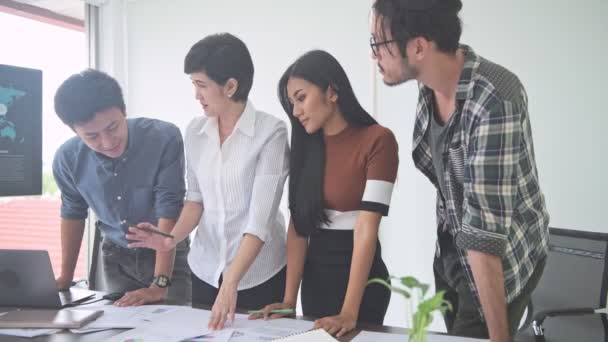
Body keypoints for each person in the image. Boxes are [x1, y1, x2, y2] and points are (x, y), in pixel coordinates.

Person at [369, 1, 550, 341]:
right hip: (453, 258)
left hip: (503, 260)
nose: (374, 55)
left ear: (419, 47)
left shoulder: (495, 99)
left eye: (379, 44)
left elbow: (486, 238)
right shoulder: (428, 86)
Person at [126, 33, 289, 330]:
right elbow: (195, 200)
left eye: (201, 86)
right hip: (205, 270)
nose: (196, 96)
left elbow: (259, 221)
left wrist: (232, 283)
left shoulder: (271, 133)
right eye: (194, 85)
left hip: (258, 274)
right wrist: (170, 239)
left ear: (230, 86)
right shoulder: (195, 131)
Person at [250, 50, 399, 338]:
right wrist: (289, 301)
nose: (295, 111)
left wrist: (349, 312)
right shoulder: (307, 147)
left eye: (301, 97)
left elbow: (366, 229)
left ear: (331, 91)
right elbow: (298, 226)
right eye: (292, 102)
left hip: (362, 287)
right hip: (316, 285)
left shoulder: (378, 140)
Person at [52, 69, 191, 306]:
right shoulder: (67, 159)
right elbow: (73, 214)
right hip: (115, 257)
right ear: (75, 131)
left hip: (167, 252)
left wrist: (159, 283)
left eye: (113, 127)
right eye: (92, 136)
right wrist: (65, 278)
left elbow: (169, 206)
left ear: (124, 111)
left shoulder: (163, 137)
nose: (107, 142)